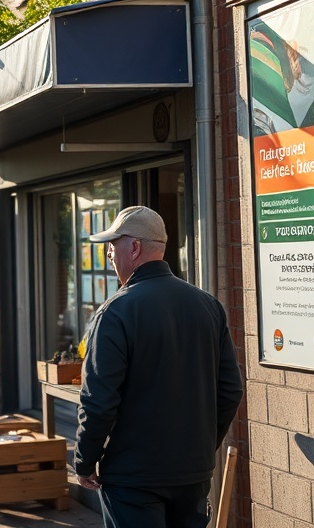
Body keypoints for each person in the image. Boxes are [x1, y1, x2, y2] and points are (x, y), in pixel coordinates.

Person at [74, 206, 243, 528]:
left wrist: (85, 460)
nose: (109, 255)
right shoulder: (208, 305)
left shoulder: (116, 312)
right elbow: (230, 391)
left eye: (113, 246)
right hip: (193, 473)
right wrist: (202, 446)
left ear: (134, 248)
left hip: (133, 476)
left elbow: (98, 400)